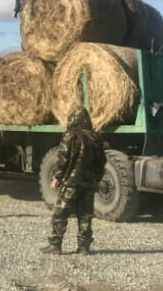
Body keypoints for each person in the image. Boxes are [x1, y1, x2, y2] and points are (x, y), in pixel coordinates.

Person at [42, 108, 107, 255]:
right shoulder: (95, 138)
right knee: (85, 215)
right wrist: (96, 179)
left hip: (71, 183)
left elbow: (62, 159)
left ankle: (55, 245)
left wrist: (56, 178)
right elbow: (102, 162)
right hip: (88, 184)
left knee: (60, 213)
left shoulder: (70, 136)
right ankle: (84, 247)